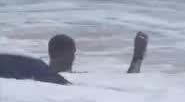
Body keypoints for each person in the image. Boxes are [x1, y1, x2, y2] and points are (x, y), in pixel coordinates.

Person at [0, 32, 147, 85]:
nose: (75, 55)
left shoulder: (34, 70)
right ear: (69, 54)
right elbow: (129, 82)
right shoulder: (71, 78)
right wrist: (138, 56)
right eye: (73, 52)